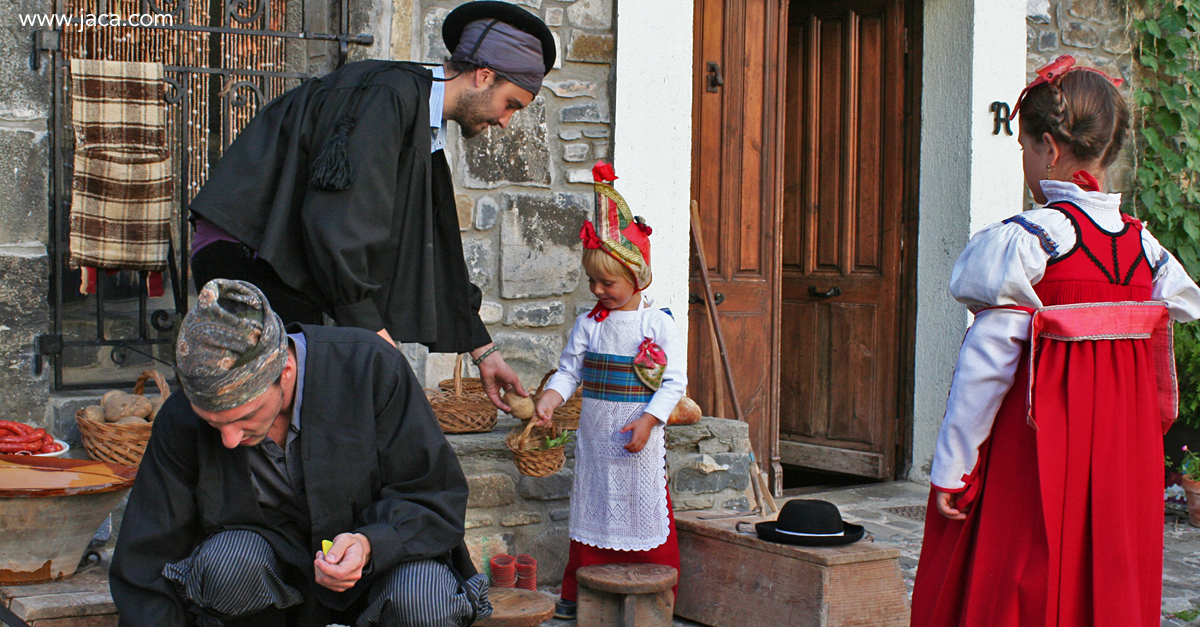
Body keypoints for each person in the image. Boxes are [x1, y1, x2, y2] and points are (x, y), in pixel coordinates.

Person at [910, 55, 1200, 627]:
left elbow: (985, 367)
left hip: (1037, 443)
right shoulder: (1146, 251)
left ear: (1048, 147)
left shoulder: (1029, 243)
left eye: (1022, 147)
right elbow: (1180, 309)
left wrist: (953, 466)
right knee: (1106, 570)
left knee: (1024, 571)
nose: (1024, 161)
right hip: (1122, 452)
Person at [186, 1, 556, 410]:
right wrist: (373, 333)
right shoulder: (388, 96)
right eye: (511, 104)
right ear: (483, 75)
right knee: (277, 414)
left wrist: (483, 351)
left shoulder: (417, 113)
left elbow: (433, 248)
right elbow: (337, 224)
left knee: (322, 412)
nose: (506, 121)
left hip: (283, 266)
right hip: (247, 259)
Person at [110, 279, 487, 627]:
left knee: (424, 598)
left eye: (244, 417)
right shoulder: (180, 421)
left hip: (384, 573)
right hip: (270, 592)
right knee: (225, 564)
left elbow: (437, 495)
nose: (228, 439)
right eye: (213, 423)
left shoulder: (370, 368)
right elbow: (147, 557)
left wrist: (371, 543)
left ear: (285, 370)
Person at [532, 163, 686, 620]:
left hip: (638, 432)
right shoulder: (588, 325)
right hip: (597, 436)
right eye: (593, 282)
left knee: (645, 506)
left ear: (637, 277)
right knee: (594, 507)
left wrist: (649, 419)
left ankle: (657, 589)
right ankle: (580, 591)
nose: (599, 291)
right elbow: (567, 372)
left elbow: (673, 382)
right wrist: (551, 398)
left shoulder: (657, 324)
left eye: (609, 283)